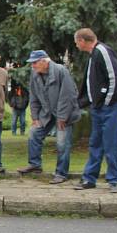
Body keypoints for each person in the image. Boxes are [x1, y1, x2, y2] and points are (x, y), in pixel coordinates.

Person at [73, 28, 117, 193]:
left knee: (110, 143)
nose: (76, 45)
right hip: (98, 107)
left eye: (76, 42)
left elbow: (115, 77)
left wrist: (107, 102)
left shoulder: (102, 51)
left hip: (112, 106)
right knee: (95, 143)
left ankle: (113, 180)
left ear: (82, 40)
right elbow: (92, 85)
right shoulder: (93, 55)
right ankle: (90, 178)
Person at [16, 50, 81, 184]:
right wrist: (35, 117)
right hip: (46, 113)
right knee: (34, 133)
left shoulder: (61, 71)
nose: (32, 66)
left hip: (64, 113)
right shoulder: (35, 74)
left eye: (35, 63)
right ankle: (35, 165)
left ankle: (61, 173)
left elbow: (68, 96)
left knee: (62, 143)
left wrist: (62, 117)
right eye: (32, 63)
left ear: (45, 61)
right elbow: (33, 96)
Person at [7, 70, 29, 135]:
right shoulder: (13, 91)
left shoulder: (24, 91)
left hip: (22, 108)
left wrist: (25, 106)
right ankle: (13, 132)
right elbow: (9, 98)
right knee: (14, 121)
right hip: (15, 108)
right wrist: (11, 105)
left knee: (23, 122)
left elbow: (27, 99)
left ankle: (22, 132)